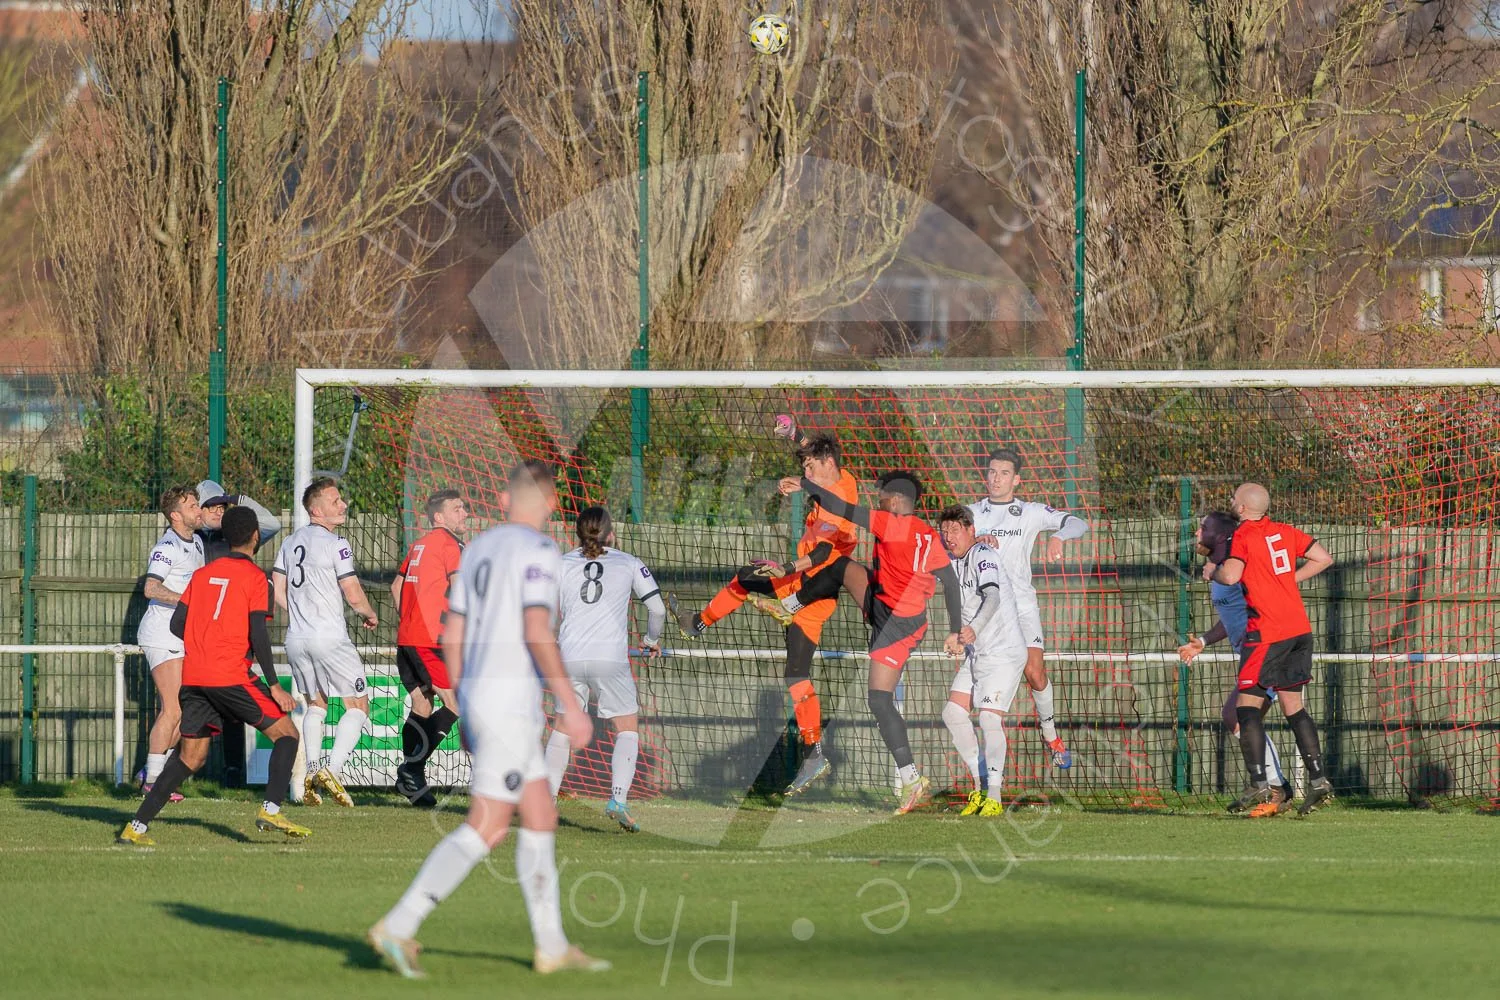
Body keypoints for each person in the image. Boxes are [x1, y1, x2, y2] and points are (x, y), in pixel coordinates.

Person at [368, 461, 609, 979]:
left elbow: (453, 633)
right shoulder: (539, 550)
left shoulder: (475, 549)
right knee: (489, 824)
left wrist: (468, 696)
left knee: (540, 814)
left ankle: (551, 945)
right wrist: (568, 701)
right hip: (509, 702)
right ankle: (399, 924)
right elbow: (536, 628)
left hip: (486, 697)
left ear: (503, 500)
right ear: (549, 505)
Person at [670, 434, 860, 795]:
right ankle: (696, 623)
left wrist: (785, 566)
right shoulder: (834, 478)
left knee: (796, 674)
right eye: (803, 465)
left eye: (809, 465)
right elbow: (817, 449)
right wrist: (795, 436)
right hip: (797, 581)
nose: (804, 469)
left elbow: (821, 557)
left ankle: (813, 753)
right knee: (745, 578)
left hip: (813, 594)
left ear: (828, 465)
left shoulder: (842, 503)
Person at [117, 507, 308, 845]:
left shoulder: (203, 575)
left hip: (195, 676)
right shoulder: (255, 580)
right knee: (288, 735)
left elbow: (177, 624)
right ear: (254, 537)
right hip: (230, 675)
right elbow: (258, 635)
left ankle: (137, 826)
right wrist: (275, 685)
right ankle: (271, 808)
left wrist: (204, 636)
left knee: (191, 757)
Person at [779, 470, 964, 815]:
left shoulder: (891, 523)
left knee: (878, 700)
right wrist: (955, 628)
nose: (876, 500)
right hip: (886, 603)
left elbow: (840, 506)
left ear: (894, 501)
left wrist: (804, 484)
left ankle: (911, 780)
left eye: (880, 496)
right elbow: (950, 583)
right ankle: (789, 605)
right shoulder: (926, 532)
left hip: (896, 625)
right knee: (840, 567)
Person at [1206, 483, 1336, 815]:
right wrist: (1290, 580)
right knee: (1294, 707)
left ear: (1242, 508)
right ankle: (1319, 779)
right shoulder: (1284, 531)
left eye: (1234, 498)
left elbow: (1233, 575)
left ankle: (1259, 783)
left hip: (1267, 631)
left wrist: (1214, 572)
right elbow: (1324, 558)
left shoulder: (1244, 536)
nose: (1232, 501)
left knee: (1245, 708)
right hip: (1299, 629)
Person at [546, 505, 666, 832]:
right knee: (626, 727)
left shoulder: (560, 563)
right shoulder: (628, 562)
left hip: (568, 656)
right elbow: (656, 608)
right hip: (609, 658)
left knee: (561, 728)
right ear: (611, 532)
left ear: (578, 533)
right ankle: (617, 799)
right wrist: (650, 639)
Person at [967, 447, 1088, 769]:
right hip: (984, 608)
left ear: (1016, 479)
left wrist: (1059, 537)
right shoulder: (971, 513)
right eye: (992, 471)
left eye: (1004, 473)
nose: (996, 478)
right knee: (979, 681)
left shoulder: (1031, 511)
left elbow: (1079, 523)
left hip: (1020, 604)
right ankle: (984, 753)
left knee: (1034, 673)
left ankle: (1051, 735)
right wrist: (973, 542)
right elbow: (944, 540)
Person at [1178, 511, 1295, 816]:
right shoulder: (1221, 572)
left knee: (1237, 715)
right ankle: (1276, 787)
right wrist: (1202, 641)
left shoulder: (1237, 568)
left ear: (1218, 535)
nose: (1198, 533)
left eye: (1203, 528)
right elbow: (1231, 619)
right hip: (1258, 653)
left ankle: (1277, 788)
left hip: (1269, 650)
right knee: (1239, 718)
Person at [272, 477, 378, 807]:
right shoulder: (338, 544)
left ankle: (311, 772)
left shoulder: (289, 543)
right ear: (316, 510)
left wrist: (301, 613)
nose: (343, 504)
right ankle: (331, 769)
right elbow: (351, 590)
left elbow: (277, 588)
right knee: (358, 706)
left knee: (316, 705)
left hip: (297, 638)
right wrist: (368, 612)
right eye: (336, 501)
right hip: (329, 637)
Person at [936, 505, 1029, 817]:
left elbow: (993, 597)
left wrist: (972, 630)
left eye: (955, 530)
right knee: (952, 713)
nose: (949, 537)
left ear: (970, 530)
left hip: (1004, 653)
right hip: (978, 653)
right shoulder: (949, 558)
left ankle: (995, 796)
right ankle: (978, 786)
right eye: (944, 530)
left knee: (989, 719)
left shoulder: (983, 555)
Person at [194, 480, 282, 788]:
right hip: (201, 637)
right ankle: (169, 771)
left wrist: (237, 498)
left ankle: (232, 771)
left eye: (222, 507)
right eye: (211, 507)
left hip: (233, 637)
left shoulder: (233, 537)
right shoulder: (192, 541)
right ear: (197, 511)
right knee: (189, 708)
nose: (218, 512)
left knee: (232, 708)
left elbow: (272, 523)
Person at [390, 488, 468, 807]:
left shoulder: (419, 544)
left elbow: (396, 585)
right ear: (439, 517)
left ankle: (413, 782)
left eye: (464, 508)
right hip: (430, 640)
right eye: (457, 509)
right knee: (454, 704)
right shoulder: (450, 545)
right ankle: (412, 770)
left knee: (422, 706)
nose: (464, 513)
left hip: (408, 637)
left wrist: (409, 619)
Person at [135, 485, 204, 798]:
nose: (198, 510)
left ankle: (152, 768)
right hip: (162, 633)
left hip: (181, 634)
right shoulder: (168, 546)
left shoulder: (198, 542)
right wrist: (187, 602)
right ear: (176, 516)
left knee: (184, 712)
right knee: (173, 710)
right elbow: (151, 588)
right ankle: (152, 781)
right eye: (192, 506)